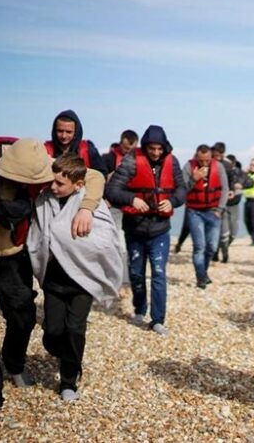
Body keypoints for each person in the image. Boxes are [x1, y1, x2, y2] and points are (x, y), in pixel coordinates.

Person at [0, 137, 104, 419]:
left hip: (14, 254)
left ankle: (14, 364)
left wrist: (86, 207)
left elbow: (93, 175)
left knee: (23, 315)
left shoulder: (43, 163)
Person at [27, 153, 123, 401]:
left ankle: (69, 380)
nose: (53, 187)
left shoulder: (92, 205)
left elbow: (106, 241)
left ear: (78, 185)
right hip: (54, 279)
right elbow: (37, 236)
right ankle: (66, 352)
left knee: (75, 329)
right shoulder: (43, 200)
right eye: (53, 181)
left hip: (83, 279)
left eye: (60, 184)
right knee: (52, 333)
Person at [105, 125, 187, 336]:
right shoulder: (131, 161)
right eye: (152, 148)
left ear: (165, 147)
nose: (156, 153)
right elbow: (112, 190)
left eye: (160, 149)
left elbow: (181, 190)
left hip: (160, 229)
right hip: (135, 227)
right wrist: (132, 198)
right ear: (145, 146)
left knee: (159, 273)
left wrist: (172, 201)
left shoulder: (173, 161)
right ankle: (139, 309)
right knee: (136, 273)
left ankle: (158, 319)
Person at [182, 144, 228, 288]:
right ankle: (201, 277)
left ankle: (204, 271)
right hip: (195, 211)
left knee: (212, 247)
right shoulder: (188, 167)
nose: (204, 163)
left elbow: (225, 188)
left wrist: (220, 209)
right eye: (201, 160)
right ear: (196, 157)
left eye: (207, 160)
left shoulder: (218, 167)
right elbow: (182, 190)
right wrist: (194, 179)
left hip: (214, 211)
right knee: (199, 246)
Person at [102, 129, 139, 292]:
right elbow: (96, 179)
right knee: (120, 245)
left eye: (131, 149)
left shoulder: (142, 160)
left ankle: (131, 279)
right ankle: (122, 281)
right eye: (125, 149)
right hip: (115, 207)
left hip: (136, 208)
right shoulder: (107, 159)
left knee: (134, 246)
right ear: (120, 144)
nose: (128, 152)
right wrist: (107, 180)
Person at [45, 109, 108, 176]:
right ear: (54, 131)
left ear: (76, 132)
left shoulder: (89, 150)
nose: (64, 136)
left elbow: (101, 175)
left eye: (68, 132)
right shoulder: (45, 150)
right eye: (60, 131)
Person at [218, 155, 253, 262]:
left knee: (234, 232)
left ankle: (224, 247)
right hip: (221, 205)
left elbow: (251, 182)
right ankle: (222, 253)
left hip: (234, 205)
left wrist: (242, 185)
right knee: (224, 232)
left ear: (233, 163)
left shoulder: (240, 172)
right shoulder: (220, 171)